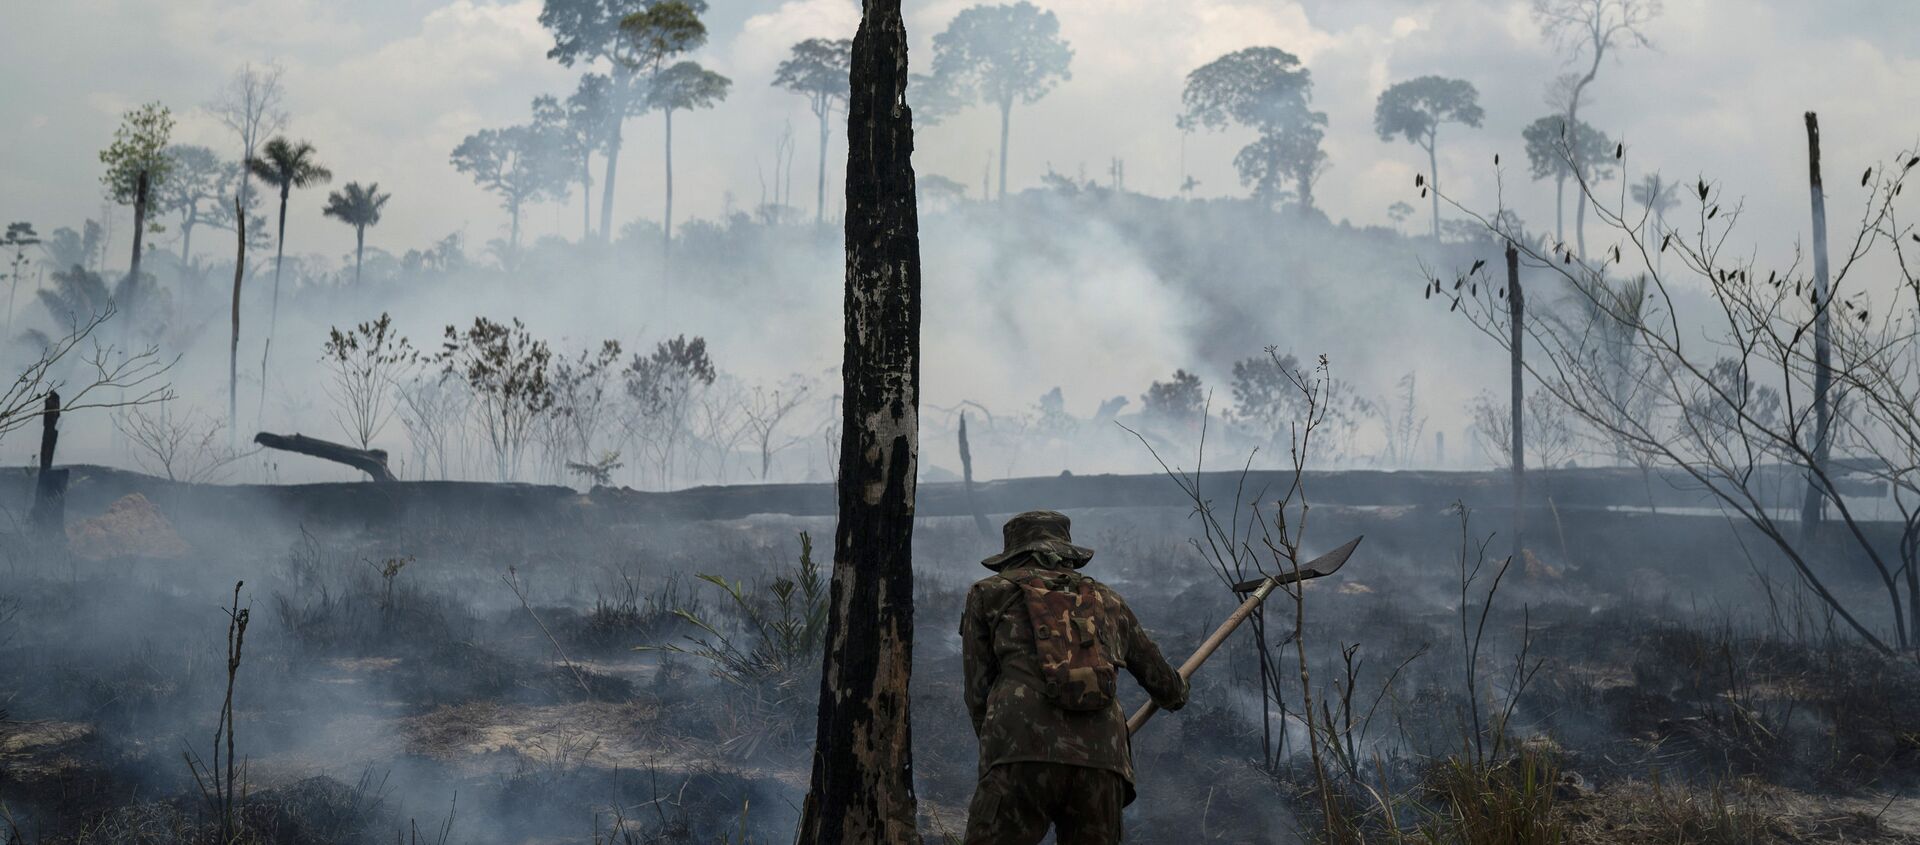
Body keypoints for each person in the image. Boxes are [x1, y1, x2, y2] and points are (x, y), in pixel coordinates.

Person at [961, 510, 1189, 844]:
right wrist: (1178, 691)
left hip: (1019, 752)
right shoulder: (1108, 600)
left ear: (1014, 553)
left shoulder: (988, 594)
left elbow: (977, 691)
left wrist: (998, 747)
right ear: (1067, 553)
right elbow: (1165, 686)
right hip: (1102, 761)